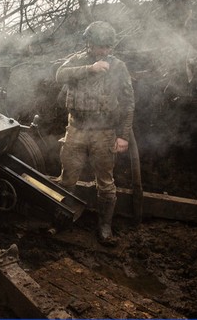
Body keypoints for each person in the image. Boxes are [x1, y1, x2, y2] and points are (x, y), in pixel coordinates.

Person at [55, 21, 135, 247]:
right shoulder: (77, 61)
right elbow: (59, 75)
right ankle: (63, 218)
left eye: (107, 47)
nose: (104, 51)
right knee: (67, 177)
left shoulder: (118, 67)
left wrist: (124, 136)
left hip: (104, 132)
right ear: (89, 43)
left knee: (106, 182)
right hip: (76, 130)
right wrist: (90, 69)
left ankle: (104, 226)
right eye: (100, 46)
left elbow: (129, 103)